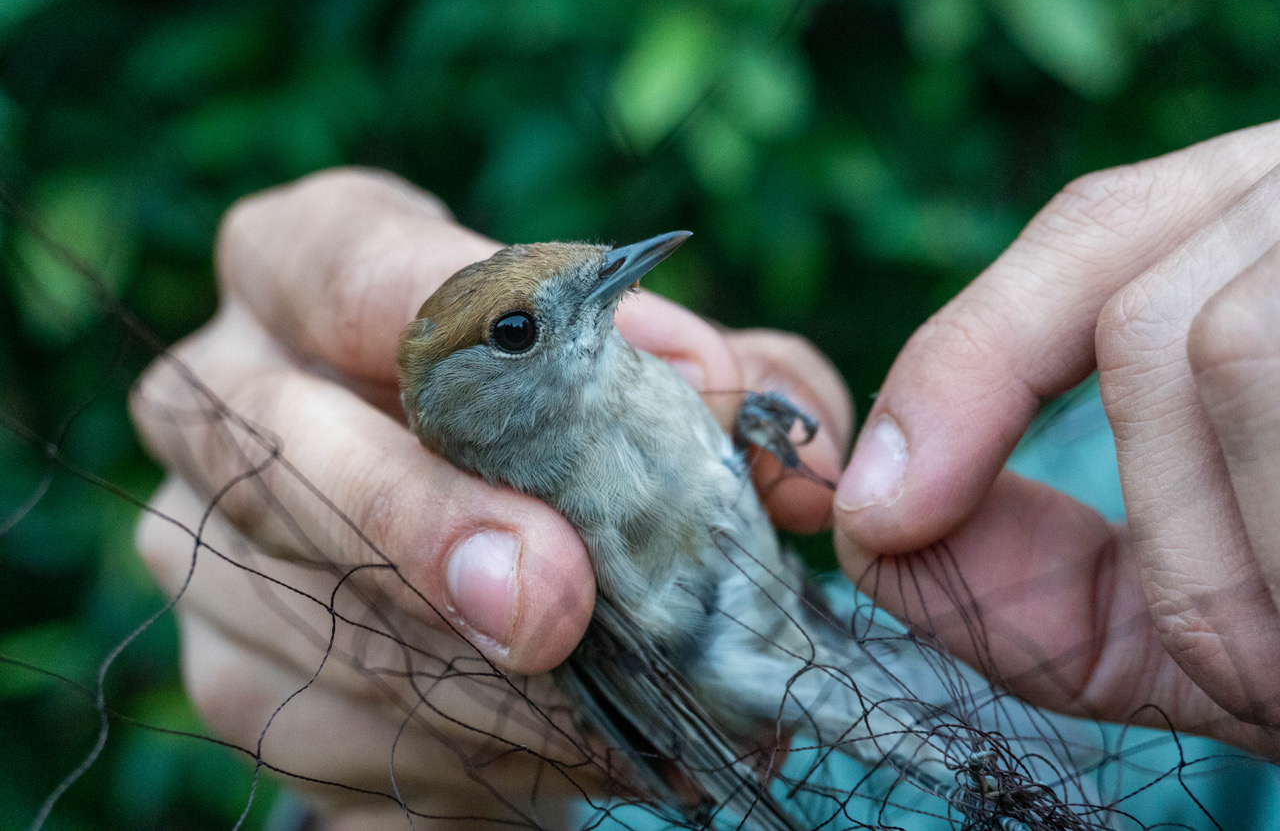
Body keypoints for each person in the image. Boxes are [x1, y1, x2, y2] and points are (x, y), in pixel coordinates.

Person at [130, 120, 1280, 829]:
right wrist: (420, 802)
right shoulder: (507, 493)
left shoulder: (628, 371)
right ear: (471, 391)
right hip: (730, 675)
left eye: (597, 281)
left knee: (946, 739)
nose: (605, 296)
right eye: (525, 327)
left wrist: (745, 435)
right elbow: (606, 704)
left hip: (790, 627)